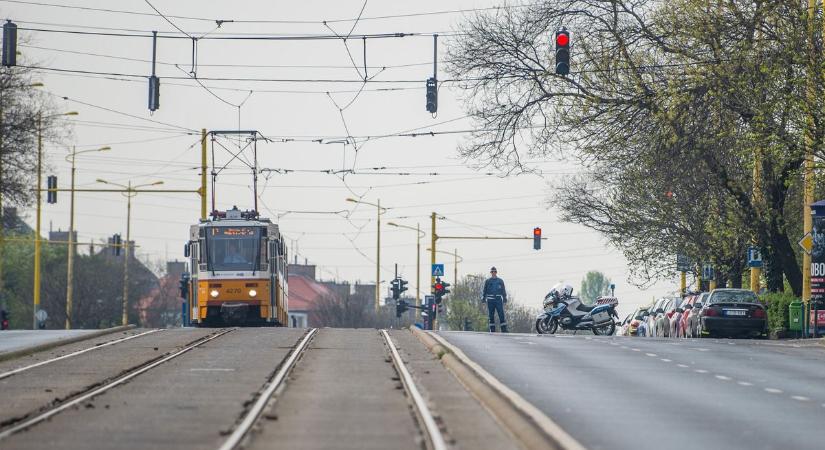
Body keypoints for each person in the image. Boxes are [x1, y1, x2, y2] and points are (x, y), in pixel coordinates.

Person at [482, 266, 508, 332]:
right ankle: (492, 329)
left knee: (501, 314)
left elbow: (503, 290)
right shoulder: (487, 281)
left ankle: (504, 329)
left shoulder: (500, 281)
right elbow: (484, 291)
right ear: (491, 273)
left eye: (494, 271)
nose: (493, 273)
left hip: (498, 299)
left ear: (496, 272)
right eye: (492, 272)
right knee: (491, 315)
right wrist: (483, 299)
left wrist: (504, 299)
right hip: (490, 300)